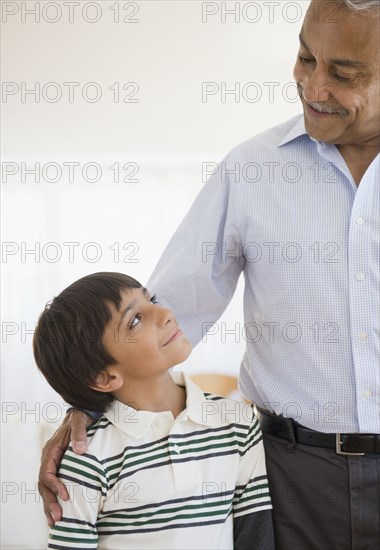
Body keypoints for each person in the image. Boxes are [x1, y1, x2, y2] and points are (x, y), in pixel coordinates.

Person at [39, 0, 380, 548]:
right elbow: (162, 316)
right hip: (288, 475)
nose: (314, 87)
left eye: (343, 73)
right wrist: (85, 406)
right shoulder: (252, 170)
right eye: (304, 58)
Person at [33, 272, 274, 549]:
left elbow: (255, 537)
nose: (166, 312)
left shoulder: (238, 423)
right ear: (104, 377)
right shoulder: (86, 459)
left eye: (153, 300)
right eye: (135, 320)